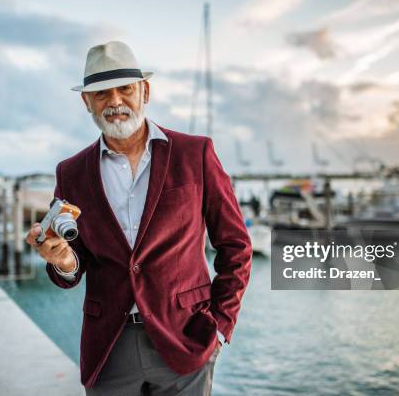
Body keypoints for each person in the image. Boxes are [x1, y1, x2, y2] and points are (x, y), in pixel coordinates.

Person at [25, 41, 252, 395]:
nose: (114, 101)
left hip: (186, 340)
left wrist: (220, 326)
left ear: (145, 91)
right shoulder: (71, 173)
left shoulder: (196, 153)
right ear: (86, 102)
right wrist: (64, 260)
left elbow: (236, 246)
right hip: (108, 348)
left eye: (125, 89)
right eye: (101, 93)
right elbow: (73, 263)